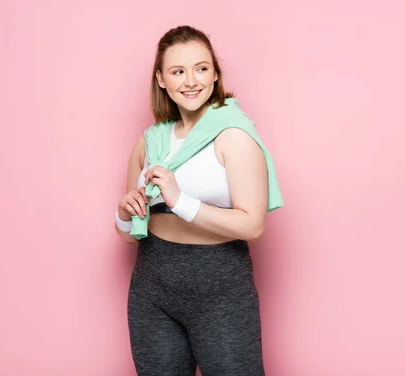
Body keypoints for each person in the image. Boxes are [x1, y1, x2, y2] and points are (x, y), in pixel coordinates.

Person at [114, 25, 282, 376]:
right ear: (161, 79)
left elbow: (253, 225)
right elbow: (131, 234)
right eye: (178, 71)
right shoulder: (149, 142)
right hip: (152, 287)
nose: (191, 81)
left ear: (215, 74)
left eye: (201, 68)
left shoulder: (233, 134)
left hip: (220, 287)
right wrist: (123, 213)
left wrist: (178, 200)